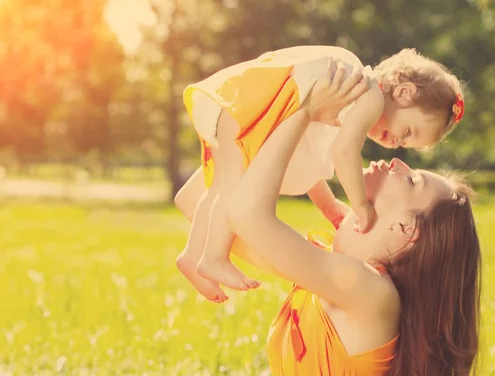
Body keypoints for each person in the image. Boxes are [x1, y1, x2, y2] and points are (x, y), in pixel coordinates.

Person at [162, 66, 481, 376]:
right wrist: (249, 122)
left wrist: (301, 108)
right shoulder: (335, 274)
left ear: (407, 232)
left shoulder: (371, 294)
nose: (398, 162)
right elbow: (198, 205)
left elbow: (248, 215)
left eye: (413, 181)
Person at [175, 46, 465, 303]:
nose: (393, 144)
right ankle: (213, 256)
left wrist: (327, 205)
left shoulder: (344, 91)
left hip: (242, 103)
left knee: (223, 185)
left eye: (403, 143)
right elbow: (343, 153)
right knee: (229, 185)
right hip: (252, 107)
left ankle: (192, 254)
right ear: (404, 93)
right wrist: (361, 204)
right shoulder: (368, 95)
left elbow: (309, 154)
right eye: (406, 132)